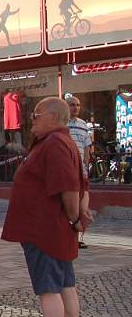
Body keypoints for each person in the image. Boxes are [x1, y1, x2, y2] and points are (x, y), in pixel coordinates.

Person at [1, 97, 93, 317]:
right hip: (53, 228)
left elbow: (70, 187)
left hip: (45, 229)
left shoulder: (54, 144)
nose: (33, 120)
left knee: (49, 290)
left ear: (53, 117)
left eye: (37, 115)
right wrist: (76, 218)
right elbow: (82, 185)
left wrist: (76, 218)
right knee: (65, 285)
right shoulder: (63, 143)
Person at [65, 95, 92, 249]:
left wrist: (86, 165)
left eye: (78, 105)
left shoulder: (83, 124)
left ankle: (80, 237)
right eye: (72, 105)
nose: (76, 108)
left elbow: (87, 146)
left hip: (81, 171)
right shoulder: (61, 124)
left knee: (83, 205)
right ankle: (71, 236)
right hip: (68, 170)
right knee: (71, 204)